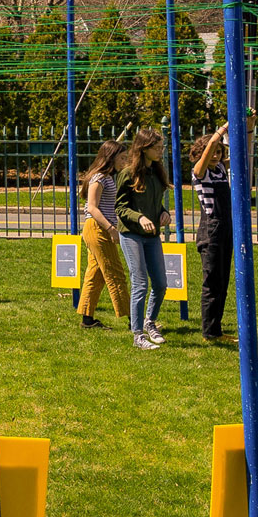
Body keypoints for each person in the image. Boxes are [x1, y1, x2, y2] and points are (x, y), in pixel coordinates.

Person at [192, 119, 248, 342]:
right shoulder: (200, 172)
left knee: (223, 282)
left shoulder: (221, 170)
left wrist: (248, 123)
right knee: (212, 283)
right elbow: (212, 144)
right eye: (212, 152)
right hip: (211, 229)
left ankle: (216, 329)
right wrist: (227, 123)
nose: (216, 156)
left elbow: (243, 152)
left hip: (226, 227)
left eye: (219, 152)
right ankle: (209, 332)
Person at [115, 126, 171, 350]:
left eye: (161, 147)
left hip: (152, 234)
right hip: (131, 234)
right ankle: (137, 334)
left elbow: (154, 201)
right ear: (143, 148)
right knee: (140, 283)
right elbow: (120, 207)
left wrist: (163, 212)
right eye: (156, 148)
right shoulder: (127, 173)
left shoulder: (157, 172)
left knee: (160, 284)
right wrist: (139, 218)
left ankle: (150, 323)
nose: (160, 151)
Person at [76, 139, 128, 328]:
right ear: (111, 157)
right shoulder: (99, 177)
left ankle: (87, 319)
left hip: (101, 228)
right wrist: (111, 229)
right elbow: (92, 207)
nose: (125, 161)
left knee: (95, 274)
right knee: (115, 273)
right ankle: (134, 320)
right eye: (122, 158)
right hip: (97, 228)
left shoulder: (109, 177)